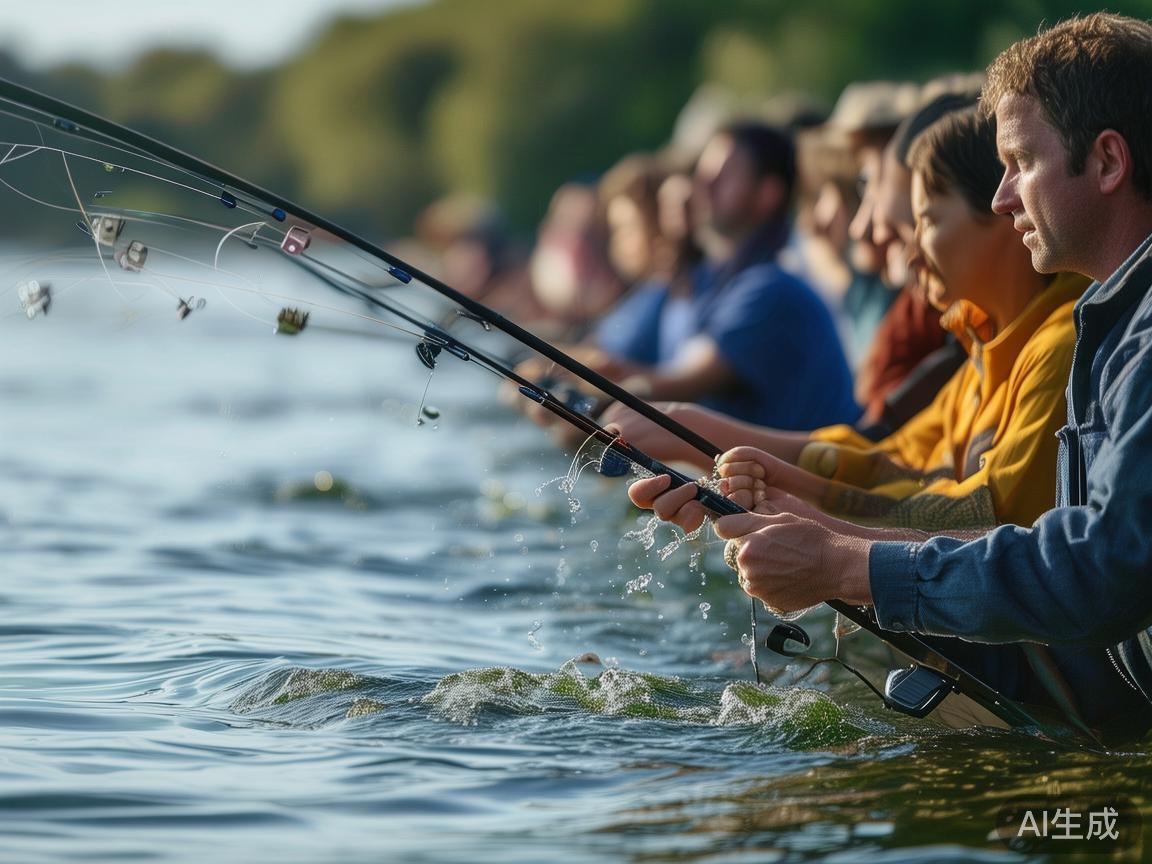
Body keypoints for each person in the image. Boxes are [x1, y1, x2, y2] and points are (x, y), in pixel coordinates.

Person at [628, 13, 1152, 734]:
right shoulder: (1108, 321)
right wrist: (801, 519)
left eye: (1021, 163)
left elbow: (1076, 558)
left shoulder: (1102, 332)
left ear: (1109, 162)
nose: (1004, 198)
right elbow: (907, 472)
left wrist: (840, 559)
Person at [610, 108, 1087, 531]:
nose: (909, 250)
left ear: (1006, 215)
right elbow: (886, 461)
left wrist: (793, 501)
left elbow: (985, 518)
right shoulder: (983, 347)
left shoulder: (1058, 345)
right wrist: (716, 446)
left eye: (927, 221)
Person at [542, 121, 861, 432]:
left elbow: (679, 384)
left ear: (768, 194)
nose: (702, 185)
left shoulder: (771, 287)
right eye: (703, 174)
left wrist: (588, 393)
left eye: (722, 176)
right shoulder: (722, 282)